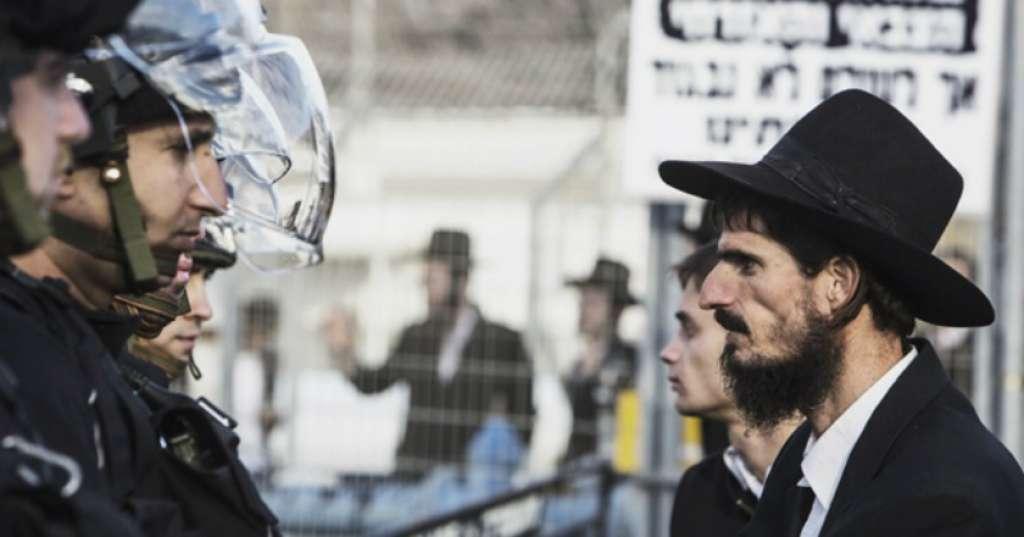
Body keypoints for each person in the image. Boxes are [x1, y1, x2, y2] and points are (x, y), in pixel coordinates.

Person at [658, 89, 1024, 536]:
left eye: (747, 264)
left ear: (838, 286)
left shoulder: (947, 500)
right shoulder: (811, 456)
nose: (711, 293)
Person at [344, 228, 534, 478]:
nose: (425, 287)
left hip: (469, 489)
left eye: (433, 279)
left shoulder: (503, 342)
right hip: (412, 477)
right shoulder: (415, 336)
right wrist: (343, 351)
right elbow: (373, 383)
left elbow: (524, 422)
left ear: (461, 280)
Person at [661, 242, 799, 537]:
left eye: (690, 331)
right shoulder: (699, 491)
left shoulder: (834, 484)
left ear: (743, 334)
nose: (669, 353)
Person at [562, 256, 639, 459]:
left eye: (593, 302)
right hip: (574, 470)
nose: (583, 309)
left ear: (615, 310)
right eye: (582, 301)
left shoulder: (631, 362)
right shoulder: (576, 364)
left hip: (611, 470)